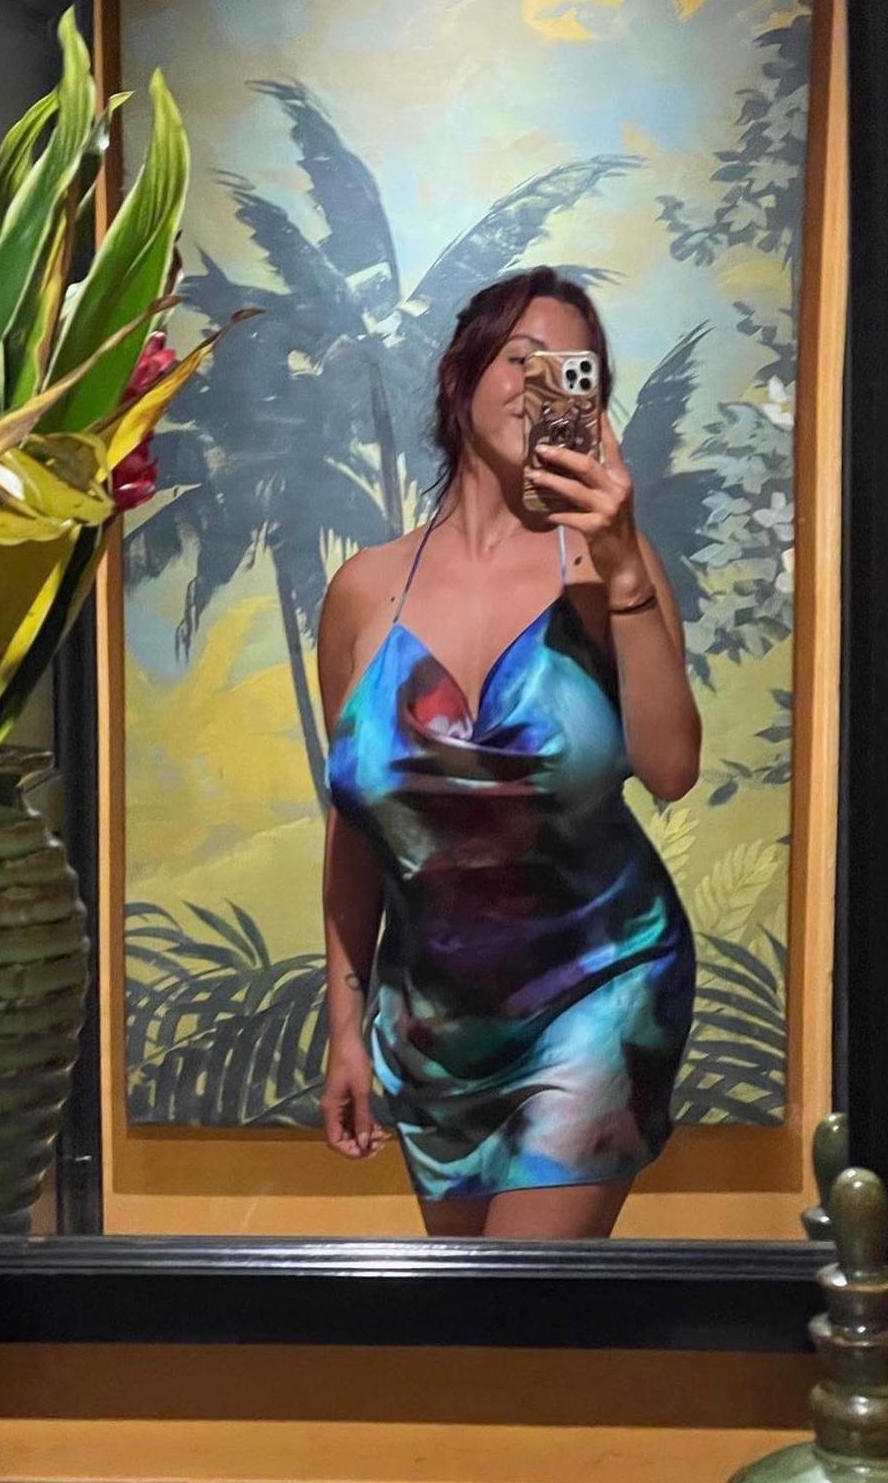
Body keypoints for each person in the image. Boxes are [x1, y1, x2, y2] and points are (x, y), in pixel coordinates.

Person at [316, 266, 701, 1241]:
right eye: (520, 358)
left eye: (569, 370)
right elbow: (358, 828)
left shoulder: (611, 570)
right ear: (462, 376)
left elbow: (670, 768)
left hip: (599, 989)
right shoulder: (363, 592)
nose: (539, 386)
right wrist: (344, 1025)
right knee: (478, 1320)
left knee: (524, 1299)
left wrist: (622, 562)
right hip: (436, 1025)